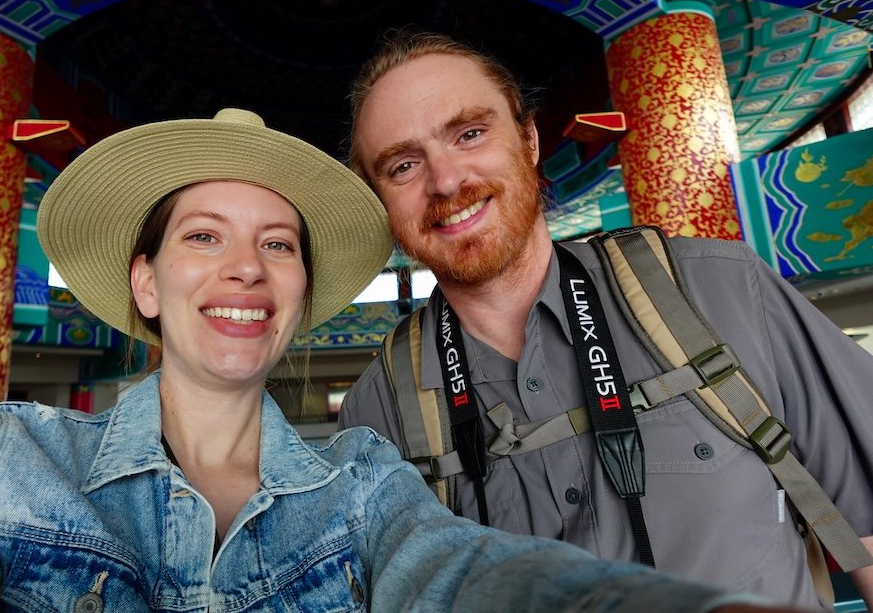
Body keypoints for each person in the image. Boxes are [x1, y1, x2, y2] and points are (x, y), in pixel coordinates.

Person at [0, 108, 802, 612]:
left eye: (279, 244)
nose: (247, 265)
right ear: (145, 284)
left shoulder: (363, 483)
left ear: (297, 300)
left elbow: (466, 573)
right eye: (205, 236)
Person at [338, 30, 873, 612]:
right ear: (378, 202)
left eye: (469, 133)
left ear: (530, 138)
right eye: (403, 166)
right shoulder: (379, 409)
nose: (445, 181)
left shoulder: (719, 291)